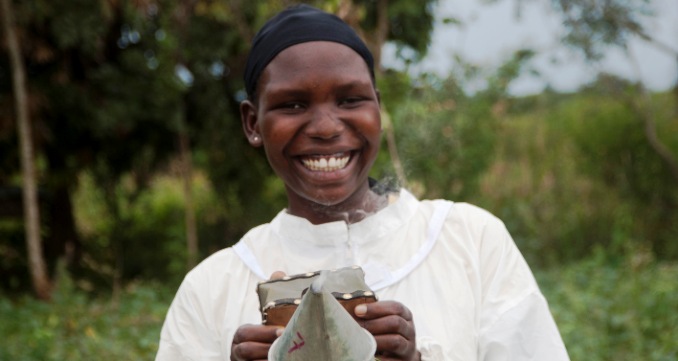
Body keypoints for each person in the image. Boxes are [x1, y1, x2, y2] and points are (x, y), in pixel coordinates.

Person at [156, 4, 570, 361]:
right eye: (293, 104)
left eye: (350, 99)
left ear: (377, 106)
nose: (325, 127)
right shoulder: (213, 287)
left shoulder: (468, 241)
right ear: (253, 123)